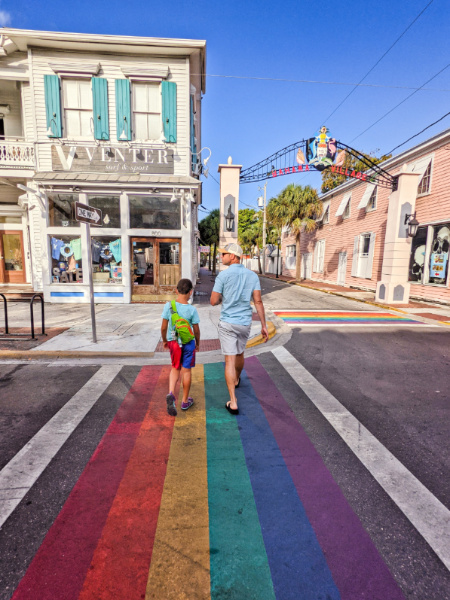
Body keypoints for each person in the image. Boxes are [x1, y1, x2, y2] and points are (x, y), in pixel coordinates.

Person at [210, 243, 269, 415]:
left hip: (228, 322)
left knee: (229, 360)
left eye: (224, 254)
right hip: (245, 322)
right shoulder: (252, 276)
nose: (221, 257)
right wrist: (264, 325)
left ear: (233, 256)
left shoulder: (223, 275)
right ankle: (236, 379)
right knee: (240, 353)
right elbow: (258, 301)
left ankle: (233, 401)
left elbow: (213, 301)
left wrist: (224, 299)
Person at [161, 278, 200, 416]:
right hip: (188, 342)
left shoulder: (169, 306)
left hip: (174, 341)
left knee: (175, 368)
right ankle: (184, 401)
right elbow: (196, 329)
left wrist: (165, 340)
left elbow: (164, 326)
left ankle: (171, 393)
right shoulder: (192, 309)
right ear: (191, 292)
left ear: (176, 290)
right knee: (187, 371)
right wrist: (197, 342)